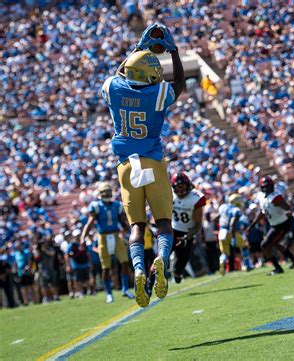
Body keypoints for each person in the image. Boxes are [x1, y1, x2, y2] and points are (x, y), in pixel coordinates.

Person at [101, 24, 184, 307]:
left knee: (137, 226)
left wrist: (138, 48)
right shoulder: (156, 93)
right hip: (152, 160)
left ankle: (138, 269)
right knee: (163, 223)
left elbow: (120, 72)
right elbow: (180, 84)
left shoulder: (113, 88)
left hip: (125, 166)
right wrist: (173, 53)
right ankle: (160, 259)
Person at [81, 182, 134, 303]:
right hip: (103, 237)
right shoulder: (96, 205)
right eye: (104, 191)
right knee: (106, 267)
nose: (107, 193)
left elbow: (123, 222)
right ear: (99, 193)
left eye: (108, 191)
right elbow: (90, 223)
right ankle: (109, 293)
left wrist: (129, 230)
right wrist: (83, 237)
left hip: (116, 236)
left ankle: (125, 289)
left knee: (125, 262)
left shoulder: (117, 205)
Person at [248, 176, 294, 275]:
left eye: (270, 186)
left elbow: (287, 206)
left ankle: (278, 268)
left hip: (282, 223)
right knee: (274, 243)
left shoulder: (275, 197)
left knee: (265, 245)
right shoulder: (262, 197)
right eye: (266, 186)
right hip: (275, 224)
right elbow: (262, 212)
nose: (268, 188)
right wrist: (253, 224)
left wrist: (288, 209)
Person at [170, 172, 206, 283]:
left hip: (187, 232)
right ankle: (149, 282)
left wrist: (187, 237)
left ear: (188, 185)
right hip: (172, 230)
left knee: (181, 262)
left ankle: (177, 273)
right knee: (162, 256)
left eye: (182, 186)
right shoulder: (168, 194)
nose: (180, 190)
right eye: (178, 187)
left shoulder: (195, 198)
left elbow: (198, 224)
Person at [217, 194, 251, 275]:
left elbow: (216, 219)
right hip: (231, 232)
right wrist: (232, 237)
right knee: (244, 247)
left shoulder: (222, 207)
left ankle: (222, 263)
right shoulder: (235, 209)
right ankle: (246, 265)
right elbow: (232, 224)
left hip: (221, 232)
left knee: (224, 253)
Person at [66, 229, 91, 298]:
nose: (78, 236)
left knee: (87, 278)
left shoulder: (83, 243)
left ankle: (89, 290)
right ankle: (80, 292)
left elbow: (88, 254)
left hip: (85, 263)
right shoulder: (72, 245)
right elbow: (67, 255)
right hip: (76, 265)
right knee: (78, 280)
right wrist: (68, 265)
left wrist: (89, 262)